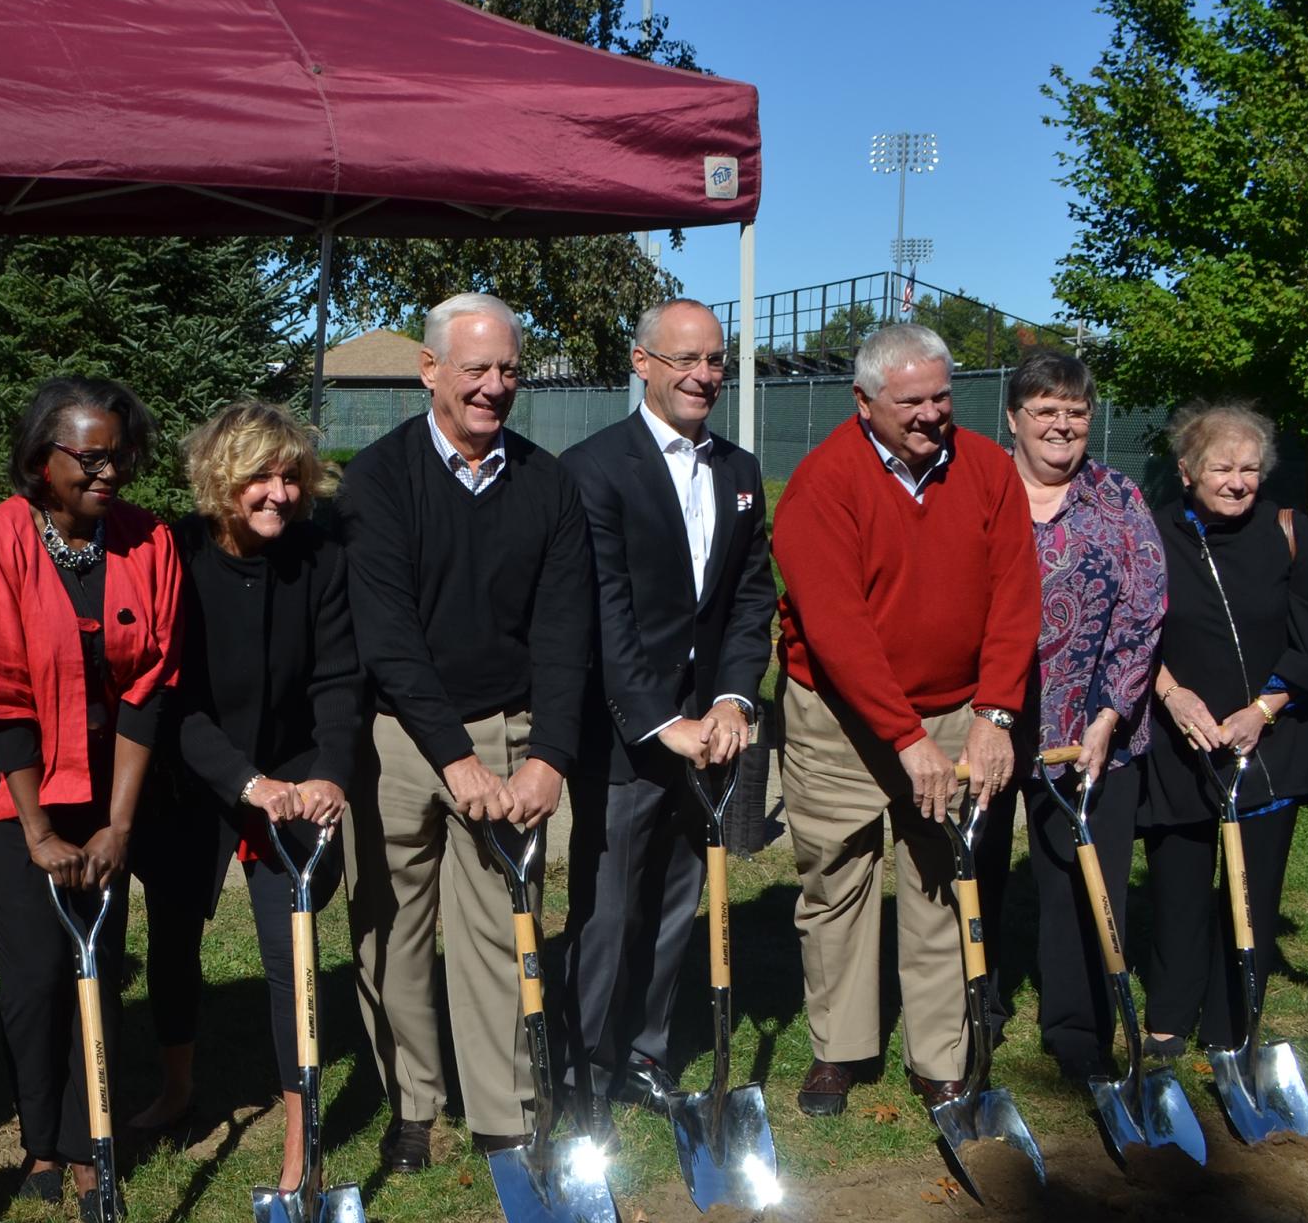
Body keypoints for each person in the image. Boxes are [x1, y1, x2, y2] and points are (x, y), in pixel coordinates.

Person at [335, 292, 594, 1167]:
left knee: (497, 928)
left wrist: (549, 757)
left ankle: (504, 1112)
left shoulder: (547, 484)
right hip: (405, 739)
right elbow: (388, 635)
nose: (493, 388)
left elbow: (565, 634)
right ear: (431, 371)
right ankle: (414, 1104)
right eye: (475, 369)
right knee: (390, 929)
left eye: (508, 370)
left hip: (510, 736)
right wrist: (454, 759)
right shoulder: (377, 480)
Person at [771, 322, 1038, 1116]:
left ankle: (940, 1055)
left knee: (941, 878)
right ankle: (840, 1049)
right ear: (863, 401)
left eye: (942, 397)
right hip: (840, 718)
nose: (931, 414)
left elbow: (1016, 599)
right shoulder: (824, 483)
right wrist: (904, 736)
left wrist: (994, 712)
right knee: (838, 880)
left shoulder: (989, 469)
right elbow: (836, 627)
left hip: (957, 710)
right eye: (911, 401)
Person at [0, 376, 182, 1213]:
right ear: (40, 459)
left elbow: (147, 689)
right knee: (34, 973)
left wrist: (118, 825)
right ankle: (39, 1138)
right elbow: (1, 692)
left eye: (119, 455)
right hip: (17, 792)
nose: (110, 472)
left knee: (99, 960)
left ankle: (94, 1140)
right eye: (90, 458)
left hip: (109, 793)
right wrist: (37, 830)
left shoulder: (146, 544)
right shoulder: (2, 542)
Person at [128, 401, 358, 1185]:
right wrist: (243, 782)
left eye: (290, 476)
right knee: (173, 937)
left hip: (294, 771)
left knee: (289, 946)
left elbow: (336, 678)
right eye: (259, 476)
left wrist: (327, 772)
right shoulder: (177, 556)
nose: (278, 493)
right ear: (222, 483)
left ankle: (302, 1131)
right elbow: (173, 696)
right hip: (194, 775)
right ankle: (177, 1086)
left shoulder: (321, 559)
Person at [558, 299, 775, 1115]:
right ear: (642, 363)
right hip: (625, 730)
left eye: (715, 360)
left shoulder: (740, 470)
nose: (704, 376)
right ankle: (581, 1069)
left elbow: (751, 599)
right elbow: (605, 612)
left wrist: (730, 700)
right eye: (685, 359)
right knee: (608, 908)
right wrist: (662, 720)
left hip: (709, 728)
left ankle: (645, 1051)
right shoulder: (593, 469)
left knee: (680, 898)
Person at [1138, 401, 1308, 1055]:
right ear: (1187, 471)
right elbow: (1136, 636)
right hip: (1182, 737)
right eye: (1222, 467)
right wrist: (1173, 696)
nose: (1239, 481)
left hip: (1272, 736)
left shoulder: (1288, 531)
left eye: (1249, 468)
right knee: (1179, 886)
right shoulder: (1154, 536)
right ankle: (1167, 1021)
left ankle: (1231, 1028)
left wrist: (1262, 710)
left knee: (1252, 890)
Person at [988, 353, 1165, 1084]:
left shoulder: (1118, 498)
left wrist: (1110, 714)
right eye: (1045, 409)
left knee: (1084, 880)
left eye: (1076, 410)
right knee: (976, 874)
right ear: (1014, 419)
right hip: (989, 725)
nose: (1061, 423)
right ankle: (977, 1010)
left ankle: (1076, 1026)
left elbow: (1146, 606)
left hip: (1094, 732)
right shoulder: (978, 490)